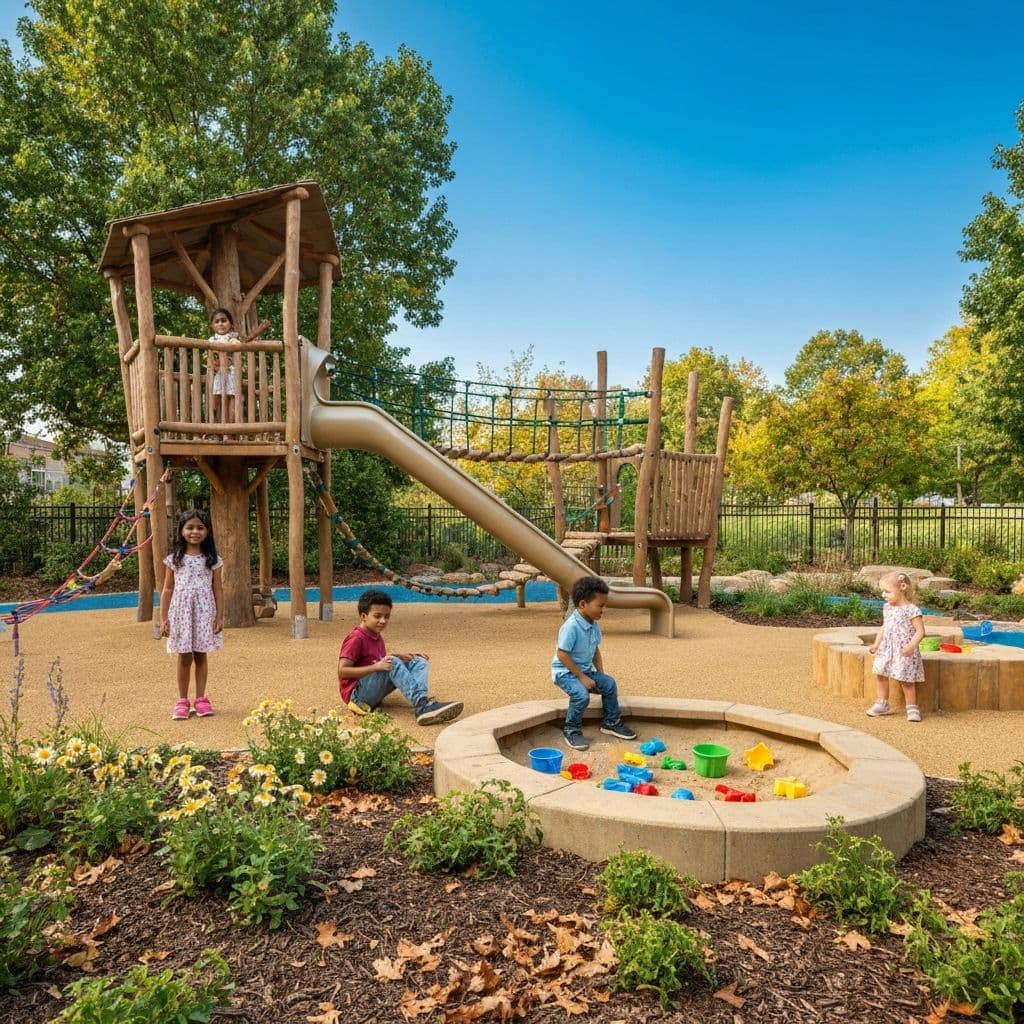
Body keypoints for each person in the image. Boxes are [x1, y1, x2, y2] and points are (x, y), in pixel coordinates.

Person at [338, 589, 464, 726]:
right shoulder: (356, 638)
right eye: (377, 616)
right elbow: (342, 671)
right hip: (357, 697)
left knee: (418, 662)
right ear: (364, 616)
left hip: (370, 689)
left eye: (387, 616)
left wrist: (401, 657)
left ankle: (422, 701)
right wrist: (377, 666)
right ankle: (422, 706)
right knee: (392, 662)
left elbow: (376, 660)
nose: (383, 621)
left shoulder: (376, 635)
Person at [551, 576, 638, 751]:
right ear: (583, 604)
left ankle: (611, 723)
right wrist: (582, 677)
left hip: (584, 671)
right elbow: (562, 655)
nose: (603, 610)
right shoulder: (571, 626)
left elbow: (595, 650)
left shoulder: (593, 624)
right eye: (600, 606)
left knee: (609, 683)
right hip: (565, 672)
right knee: (581, 695)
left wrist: (600, 673)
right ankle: (571, 729)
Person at [160, 508, 223, 720]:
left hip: (204, 612)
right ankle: (182, 701)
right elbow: (167, 589)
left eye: (200, 528)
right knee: (184, 656)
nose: (195, 532)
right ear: (181, 530)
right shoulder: (174, 560)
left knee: (201, 654)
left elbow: (218, 588)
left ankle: (201, 699)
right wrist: (163, 619)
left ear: (207, 531)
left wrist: (219, 616)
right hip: (181, 613)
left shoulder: (212, 560)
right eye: (190, 527)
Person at [866, 570, 925, 722]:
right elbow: (884, 627)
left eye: (887, 591)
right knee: (881, 674)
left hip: (904, 650)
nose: (883, 595)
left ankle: (912, 708)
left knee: (906, 680)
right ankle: (882, 703)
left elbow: (920, 631)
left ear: (902, 587)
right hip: (886, 649)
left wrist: (911, 646)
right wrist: (876, 643)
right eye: (883, 591)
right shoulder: (887, 607)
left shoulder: (912, 610)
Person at [207, 307, 241, 439]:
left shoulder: (233, 337)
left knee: (231, 399)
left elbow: (237, 345)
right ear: (212, 325)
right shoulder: (212, 340)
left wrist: (234, 342)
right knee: (215, 398)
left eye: (224, 320)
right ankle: (213, 429)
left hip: (231, 373)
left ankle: (230, 432)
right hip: (219, 373)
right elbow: (209, 356)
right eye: (217, 321)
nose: (220, 323)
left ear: (230, 324)